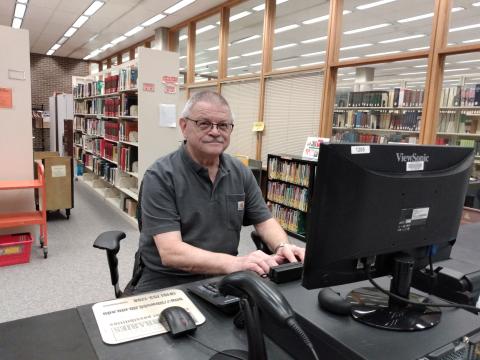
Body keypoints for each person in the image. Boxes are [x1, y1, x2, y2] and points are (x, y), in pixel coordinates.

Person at [131, 90, 305, 294]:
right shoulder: (160, 175)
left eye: (223, 125)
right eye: (204, 123)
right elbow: (171, 252)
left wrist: (282, 246)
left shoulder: (240, 171)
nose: (215, 131)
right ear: (184, 127)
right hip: (169, 277)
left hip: (223, 273)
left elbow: (264, 221)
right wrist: (238, 263)